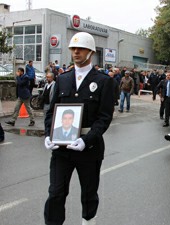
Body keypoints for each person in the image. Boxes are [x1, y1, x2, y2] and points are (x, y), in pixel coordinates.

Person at [43, 32, 115, 225]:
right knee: (56, 193)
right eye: (73, 49)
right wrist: (48, 134)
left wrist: (86, 140)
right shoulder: (62, 79)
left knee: (89, 193)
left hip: (89, 149)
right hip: (62, 148)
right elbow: (51, 112)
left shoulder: (103, 81)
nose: (76, 52)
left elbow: (104, 117)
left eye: (80, 48)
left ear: (91, 52)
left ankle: (88, 222)